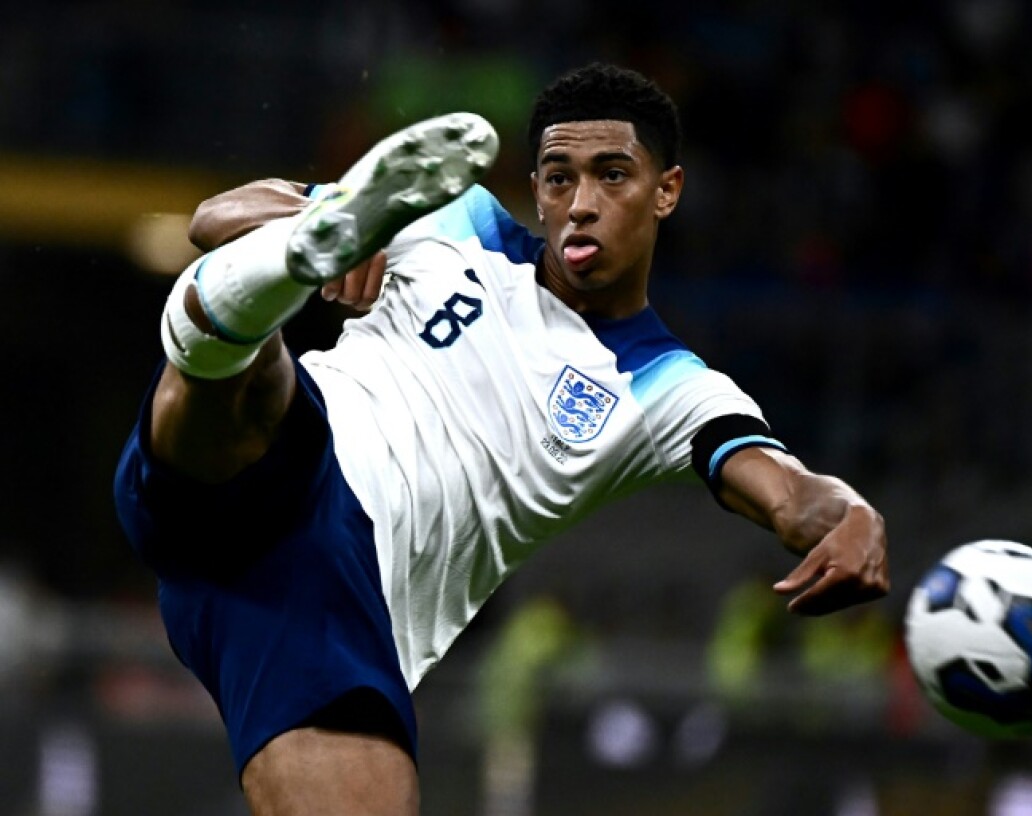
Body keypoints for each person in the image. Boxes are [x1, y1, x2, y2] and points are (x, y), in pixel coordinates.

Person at [113, 62, 890, 816]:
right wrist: (329, 228)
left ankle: (251, 301)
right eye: (558, 177)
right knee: (252, 384)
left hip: (334, 606)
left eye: (611, 176)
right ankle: (281, 269)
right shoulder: (455, 221)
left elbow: (791, 494)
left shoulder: (670, 389)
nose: (580, 203)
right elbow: (210, 220)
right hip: (290, 456)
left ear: (667, 191)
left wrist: (854, 514)